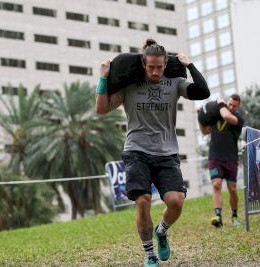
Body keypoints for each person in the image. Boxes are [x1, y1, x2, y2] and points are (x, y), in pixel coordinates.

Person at [95, 38, 209, 267]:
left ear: (165, 64)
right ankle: (149, 253)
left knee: (176, 201)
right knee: (143, 200)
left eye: (159, 67)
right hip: (136, 151)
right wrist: (104, 77)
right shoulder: (130, 85)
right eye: (151, 67)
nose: (155, 72)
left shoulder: (175, 83)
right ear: (144, 64)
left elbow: (202, 93)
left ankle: (162, 231)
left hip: (167, 153)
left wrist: (190, 65)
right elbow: (101, 108)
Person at [198, 94, 244, 228]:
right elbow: (205, 131)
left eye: (234, 106)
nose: (231, 107)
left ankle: (234, 216)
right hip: (215, 157)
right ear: (228, 102)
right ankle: (218, 217)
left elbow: (227, 117)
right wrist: (200, 118)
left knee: (232, 188)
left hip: (231, 158)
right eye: (229, 104)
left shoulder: (238, 119)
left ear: (238, 107)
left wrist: (221, 103)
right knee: (216, 184)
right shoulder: (216, 116)